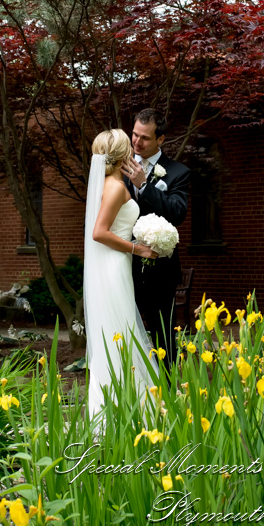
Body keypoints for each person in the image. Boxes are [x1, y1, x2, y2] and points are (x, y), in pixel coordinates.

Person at [84, 128, 158, 422]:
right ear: (121, 154)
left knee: (120, 337)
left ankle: (125, 409)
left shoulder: (113, 183)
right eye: (130, 145)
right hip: (115, 267)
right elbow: (99, 232)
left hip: (115, 267)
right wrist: (136, 249)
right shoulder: (113, 187)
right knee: (121, 335)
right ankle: (120, 414)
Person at [121, 109, 190, 369]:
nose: (136, 142)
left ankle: (168, 397)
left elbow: (177, 213)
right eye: (134, 135)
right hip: (124, 265)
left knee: (164, 340)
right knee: (124, 336)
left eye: (145, 138)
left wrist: (145, 185)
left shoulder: (177, 172)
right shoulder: (119, 166)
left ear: (160, 139)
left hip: (160, 270)